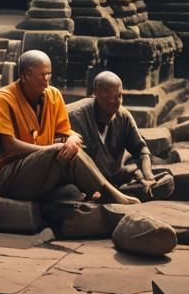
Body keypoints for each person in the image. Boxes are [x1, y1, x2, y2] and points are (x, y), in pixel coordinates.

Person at [0, 50, 141, 205]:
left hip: (37, 172)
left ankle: (104, 190)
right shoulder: (2, 100)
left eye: (49, 74)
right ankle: (109, 193)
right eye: (42, 75)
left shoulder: (53, 95)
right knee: (60, 151)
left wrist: (72, 139)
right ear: (25, 75)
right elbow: (10, 147)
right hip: (4, 178)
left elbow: (65, 130)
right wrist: (52, 148)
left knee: (71, 189)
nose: (47, 79)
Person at [68, 70, 174, 201]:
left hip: (113, 178)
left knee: (166, 180)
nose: (114, 101)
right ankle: (116, 194)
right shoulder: (75, 116)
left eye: (118, 96)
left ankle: (128, 191)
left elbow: (141, 150)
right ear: (94, 94)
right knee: (71, 192)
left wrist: (148, 176)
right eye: (107, 96)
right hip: (85, 182)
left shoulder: (123, 116)